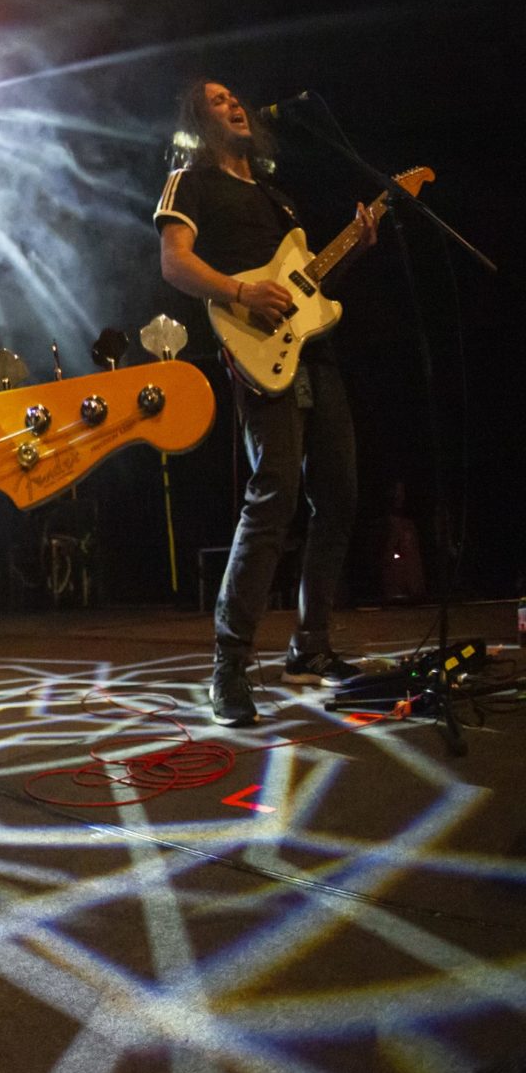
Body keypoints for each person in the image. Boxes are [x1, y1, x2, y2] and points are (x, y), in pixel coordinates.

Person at [153, 79, 371, 726]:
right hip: (254, 349)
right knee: (272, 493)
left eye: (233, 96)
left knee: (339, 494)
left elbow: (309, 290)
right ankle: (230, 661)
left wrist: (355, 249)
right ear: (199, 116)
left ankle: (311, 646)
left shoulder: (278, 196)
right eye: (216, 100)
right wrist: (240, 294)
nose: (233, 104)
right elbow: (174, 263)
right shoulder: (187, 182)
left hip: (315, 352)